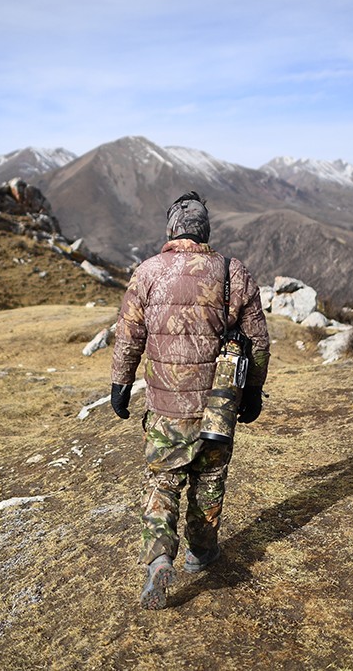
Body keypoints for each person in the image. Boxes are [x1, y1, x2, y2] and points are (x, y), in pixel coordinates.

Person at [109, 191, 270, 610]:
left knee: (163, 482)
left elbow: (128, 336)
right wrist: (252, 390)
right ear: (205, 231)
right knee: (209, 482)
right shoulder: (234, 273)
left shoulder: (146, 274)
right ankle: (200, 552)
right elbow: (257, 340)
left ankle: (160, 558)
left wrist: (120, 384)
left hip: (165, 409)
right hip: (217, 404)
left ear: (171, 231)